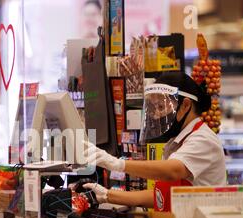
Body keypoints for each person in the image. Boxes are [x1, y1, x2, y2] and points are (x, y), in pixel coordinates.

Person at [84, 72, 226, 211]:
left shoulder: (202, 139)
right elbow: (160, 197)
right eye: (154, 108)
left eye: (161, 107)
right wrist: (108, 195)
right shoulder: (175, 142)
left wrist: (117, 163)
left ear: (186, 105)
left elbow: (173, 171)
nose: (157, 115)